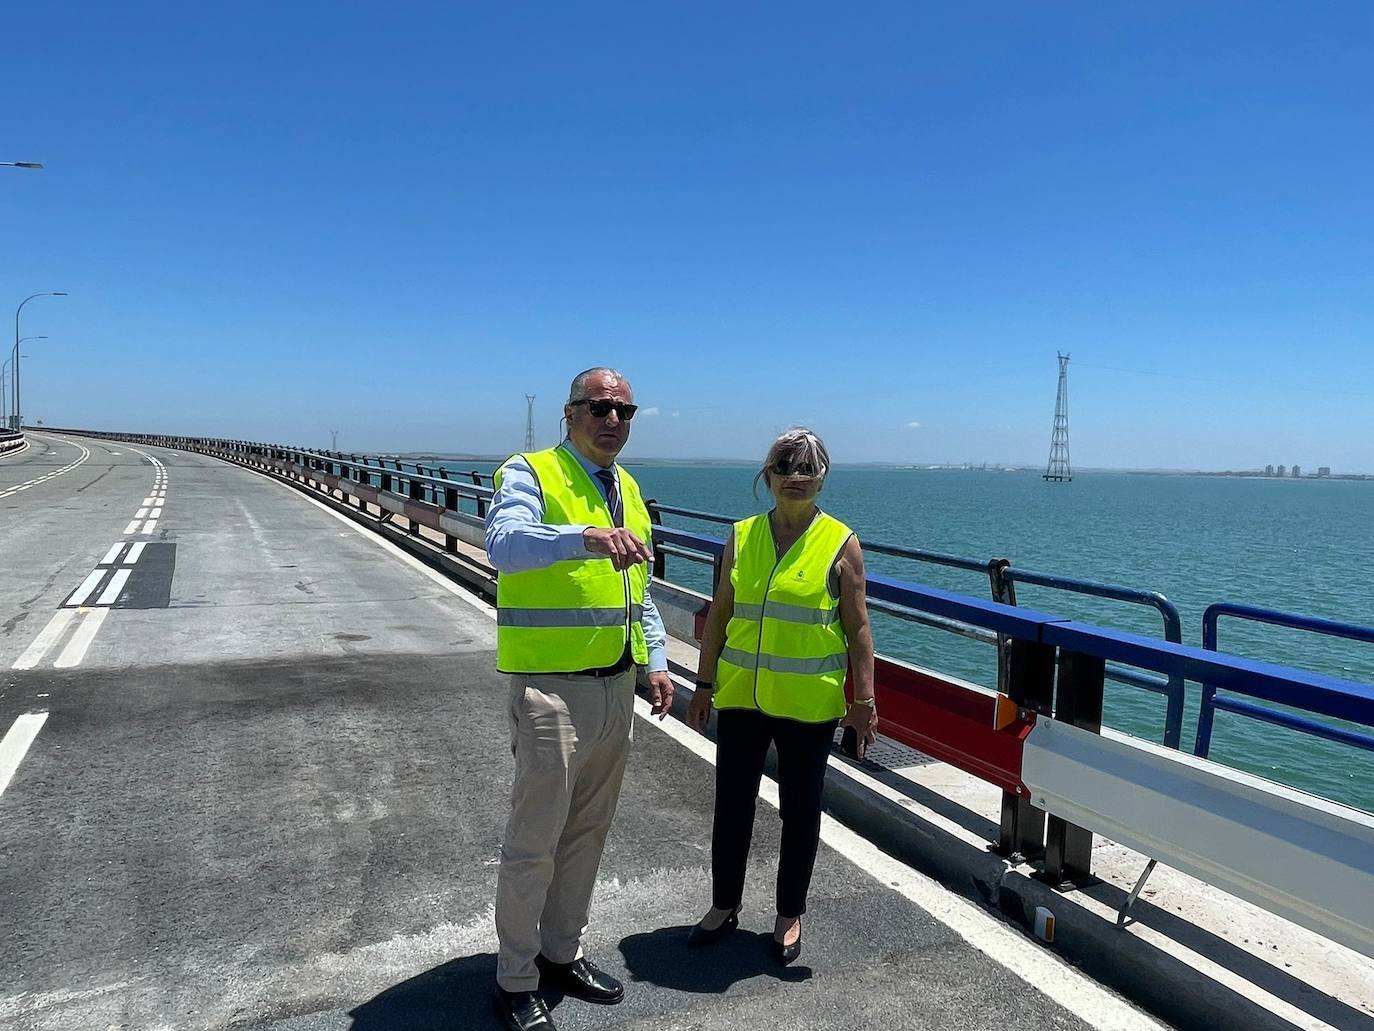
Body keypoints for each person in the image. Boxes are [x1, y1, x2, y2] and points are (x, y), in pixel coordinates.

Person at [484, 367, 675, 1031]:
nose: (612, 420)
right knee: (532, 841)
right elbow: (503, 544)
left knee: (588, 833)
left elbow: (638, 590)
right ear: (570, 413)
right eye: (599, 406)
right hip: (552, 694)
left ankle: (561, 952)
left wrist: (656, 660)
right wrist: (583, 538)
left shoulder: (626, 485)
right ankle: (515, 977)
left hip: (615, 685)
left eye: (625, 410)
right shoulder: (531, 471)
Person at [685, 427, 876, 965]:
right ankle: (724, 905)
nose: (796, 478)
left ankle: (789, 915)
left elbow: (859, 628)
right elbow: (720, 611)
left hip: (808, 705)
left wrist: (864, 702)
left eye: (808, 469)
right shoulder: (742, 535)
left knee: (800, 811)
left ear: (823, 478)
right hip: (742, 698)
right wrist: (703, 686)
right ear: (766, 475)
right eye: (785, 467)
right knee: (732, 806)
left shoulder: (841, 541)